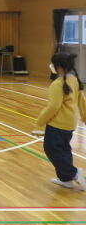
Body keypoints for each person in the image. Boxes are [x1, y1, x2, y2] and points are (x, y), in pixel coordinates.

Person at [36, 53, 86, 190]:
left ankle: (73, 173)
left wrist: (40, 121)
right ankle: (65, 179)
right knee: (64, 149)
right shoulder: (74, 80)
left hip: (57, 125)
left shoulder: (57, 84)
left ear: (58, 67)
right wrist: (84, 116)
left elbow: (53, 107)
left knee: (51, 149)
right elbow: (82, 101)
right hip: (70, 124)